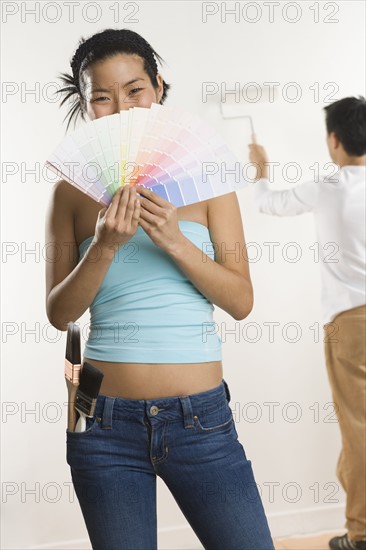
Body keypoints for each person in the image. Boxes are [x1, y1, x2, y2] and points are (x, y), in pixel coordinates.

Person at [45, 28, 275, 549]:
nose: (121, 107)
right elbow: (60, 313)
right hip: (102, 426)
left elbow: (240, 301)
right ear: (85, 106)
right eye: (100, 96)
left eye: (134, 89)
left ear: (159, 87)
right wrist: (103, 247)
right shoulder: (70, 195)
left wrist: (174, 240)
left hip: (202, 420)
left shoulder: (210, 180)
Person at [249, 96, 366, 550]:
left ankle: (360, 535)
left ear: (334, 141)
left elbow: (269, 204)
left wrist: (261, 168)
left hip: (351, 325)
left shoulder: (328, 187)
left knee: (357, 431)